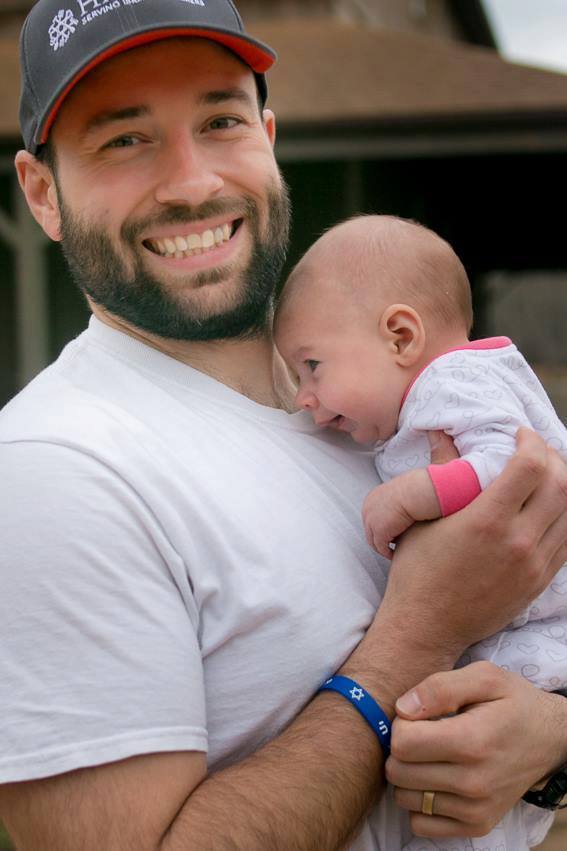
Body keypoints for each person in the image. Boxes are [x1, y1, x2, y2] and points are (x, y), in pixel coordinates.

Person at [0, 2, 566, 849]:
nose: (192, 182)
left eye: (220, 121)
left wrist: (549, 738)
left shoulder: (378, 398)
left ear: (267, 137)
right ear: (44, 194)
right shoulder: (55, 471)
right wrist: (420, 632)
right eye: (125, 138)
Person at [274, 214, 567, 848]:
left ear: (401, 336)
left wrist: (414, 493)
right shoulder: (447, 387)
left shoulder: (451, 382)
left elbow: (512, 470)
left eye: (313, 366)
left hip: (536, 628)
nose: (304, 396)